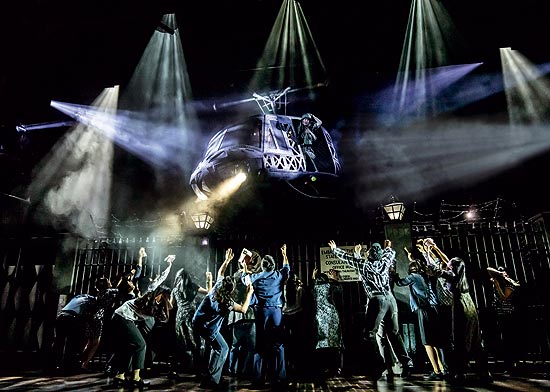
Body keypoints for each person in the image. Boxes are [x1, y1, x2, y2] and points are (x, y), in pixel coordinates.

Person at [328, 239, 413, 382]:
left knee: (369, 333)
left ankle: (379, 365)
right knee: (394, 332)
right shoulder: (384, 262)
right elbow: (390, 253)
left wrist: (335, 249)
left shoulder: (364, 265)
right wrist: (387, 247)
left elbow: (347, 258)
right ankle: (407, 363)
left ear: (370, 255)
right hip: (390, 299)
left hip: (377, 300)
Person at [429, 241, 492, 384]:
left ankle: (460, 372)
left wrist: (429, 254)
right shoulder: (462, 274)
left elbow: (440, 271)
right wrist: (435, 247)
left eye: (450, 265)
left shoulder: (453, 276)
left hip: (460, 306)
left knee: (460, 338)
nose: (448, 265)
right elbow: (449, 266)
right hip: (470, 304)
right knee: (475, 338)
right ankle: (484, 371)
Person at [192, 248, 254, 389]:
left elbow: (220, 273)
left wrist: (227, 260)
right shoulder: (227, 302)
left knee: (217, 348)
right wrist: (249, 293)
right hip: (208, 328)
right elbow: (244, 309)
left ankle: (209, 378)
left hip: (198, 321)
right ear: (231, 290)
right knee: (223, 348)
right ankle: (212, 380)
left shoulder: (217, 287)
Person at [109, 254, 175, 388]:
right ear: (160, 295)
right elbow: (159, 281)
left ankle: (120, 376)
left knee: (130, 347)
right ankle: (136, 378)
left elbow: (161, 281)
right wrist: (169, 266)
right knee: (141, 345)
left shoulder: (155, 305)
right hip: (122, 317)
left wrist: (169, 266)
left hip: (121, 317)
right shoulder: (149, 295)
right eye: (164, 297)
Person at [243, 244, 290, 390]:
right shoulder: (278, 275)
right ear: (273, 265)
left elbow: (244, 279)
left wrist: (245, 265)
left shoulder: (256, 277)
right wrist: (284, 254)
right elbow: (287, 268)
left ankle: (258, 380)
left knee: (260, 345)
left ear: (263, 266)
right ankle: (280, 379)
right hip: (276, 312)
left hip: (261, 312)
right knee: (278, 345)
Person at [394, 259, 446, 380]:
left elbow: (400, 283)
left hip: (424, 310)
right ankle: (442, 369)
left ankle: (436, 371)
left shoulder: (413, 276)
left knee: (427, 342)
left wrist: (394, 274)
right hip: (434, 309)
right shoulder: (426, 276)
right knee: (436, 341)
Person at [170, 267, 212, 377]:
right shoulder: (193, 286)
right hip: (191, 316)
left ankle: (173, 370)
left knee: (180, 343)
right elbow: (209, 293)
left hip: (180, 318)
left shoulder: (175, 290)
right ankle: (198, 371)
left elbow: (170, 305)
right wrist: (209, 280)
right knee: (195, 343)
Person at [227, 249, 261, 379]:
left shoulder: (241, 275)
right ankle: (241, 371)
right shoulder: (244, 276)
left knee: (236, 347)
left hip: (240, 316)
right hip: (247, 315)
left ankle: (235, 370)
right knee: (248, 347)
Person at [80, 276, 119, 372]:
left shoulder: (99, 293)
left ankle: (81, 361)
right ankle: (85, 364)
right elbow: (120, 290)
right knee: (96, 343)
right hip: (97, 318)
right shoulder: (108, 292)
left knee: (89, 342)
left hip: (90, 317)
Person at [50, 293, 96, 374]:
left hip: (61, 316)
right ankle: (67, 366)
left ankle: (51, 365)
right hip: (71, 318)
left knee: (58, 342)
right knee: (71, 343)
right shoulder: (91, 299)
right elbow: (90, 311)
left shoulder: (78, 297)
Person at [487, 266, 521, 373]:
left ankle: (512, 364)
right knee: (504, 339)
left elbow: (504, 297)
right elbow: (488, 269)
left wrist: (497, 285)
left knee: (509, 339)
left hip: (508, 315)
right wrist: (499, 274)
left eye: (504, 272)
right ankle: (509, 363)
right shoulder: (501, 280)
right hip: (501, 315)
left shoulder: (510, 283)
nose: (503, 274)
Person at [311, 267, 344, 378]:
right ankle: (335, 368)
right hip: (332, 317)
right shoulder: (330, 286)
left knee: (321, 342)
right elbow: (340, 289)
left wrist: (313, 277)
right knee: (334, 342)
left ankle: (322, 367)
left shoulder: (314, 288)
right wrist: (333, 278)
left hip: (319, 318)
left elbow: (311, 286)